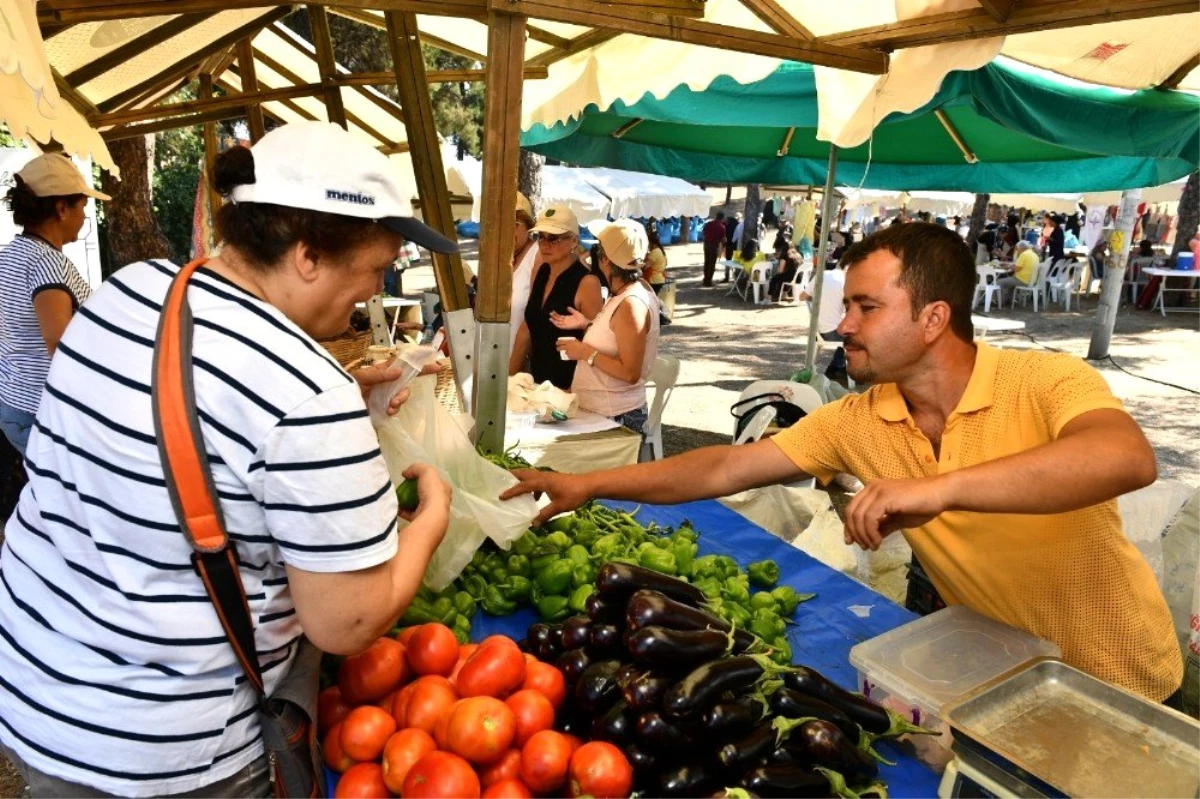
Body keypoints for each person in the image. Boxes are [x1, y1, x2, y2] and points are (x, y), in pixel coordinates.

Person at [505, 221, 1182, 707]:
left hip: (1117, 680)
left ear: (933, 318)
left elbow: (1124, 456)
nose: (843, 325)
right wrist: (587, 481)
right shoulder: (860, 416)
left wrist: (939, 490)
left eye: (865, 306)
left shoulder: (1043, 380)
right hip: (999, 682)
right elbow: (718, 470)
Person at [0, 122, 457, 797]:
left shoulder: (129, 292)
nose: (375, 288)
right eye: (375, 266)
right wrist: (431, 518)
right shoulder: (306, 390)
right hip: (171, 754)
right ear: (307, 254)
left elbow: (163, 413)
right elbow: (347, 620)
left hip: (38, 701)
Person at [0, 154, 107, 456]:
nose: (84, 218)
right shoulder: (47, 263)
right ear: (62, 209)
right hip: (44, 413)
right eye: (82, 208)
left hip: (14, 402)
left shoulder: (10, 256)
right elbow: (59, 341)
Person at [552, 219, 660, 433]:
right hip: (603, 411)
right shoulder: (626, 292)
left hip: (615, 416)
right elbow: (619, 336)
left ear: (605, 260)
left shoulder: (630, 303)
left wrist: (585, 352)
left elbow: (630, 372)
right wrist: (588, 324)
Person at [510, 204, 603, 389]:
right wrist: (508, 378)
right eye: (540, 237)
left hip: (572, 388)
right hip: (538, 384)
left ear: (574, 241)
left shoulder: (587, 282)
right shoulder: (543, 271)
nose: (545, 244)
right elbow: (527, 328)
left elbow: (598, 343)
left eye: (553, 238)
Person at [799, 256, 847, 380]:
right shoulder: (845, 282)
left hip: (817, 330)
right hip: (831, 332)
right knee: (858, 337)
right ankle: (837, 368)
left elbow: (802, 296)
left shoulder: (821, 275)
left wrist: (815, 298)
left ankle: (836, 367)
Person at [509, 192, 539, 356]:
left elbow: (531, 323)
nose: (506, 230)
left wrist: (512, 372)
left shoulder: (537, 257)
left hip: (520, 367)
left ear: (529, 226)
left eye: (515, 224)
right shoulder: (500, 258)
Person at [701, 212, 727, 287]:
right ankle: (709, 281)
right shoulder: (722, 227)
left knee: (707, 262)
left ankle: (706, 279)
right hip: (714, 245)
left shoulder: (709, 223)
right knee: (712, 264)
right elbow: (724, 239)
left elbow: (703, 232)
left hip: (706, 244)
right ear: (722, 218)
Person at [642, 222, 668, 294]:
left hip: (654, 280)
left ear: (651, 243)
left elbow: (645, 267)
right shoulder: (660, 250)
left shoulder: (654, 252)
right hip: (660, 279)